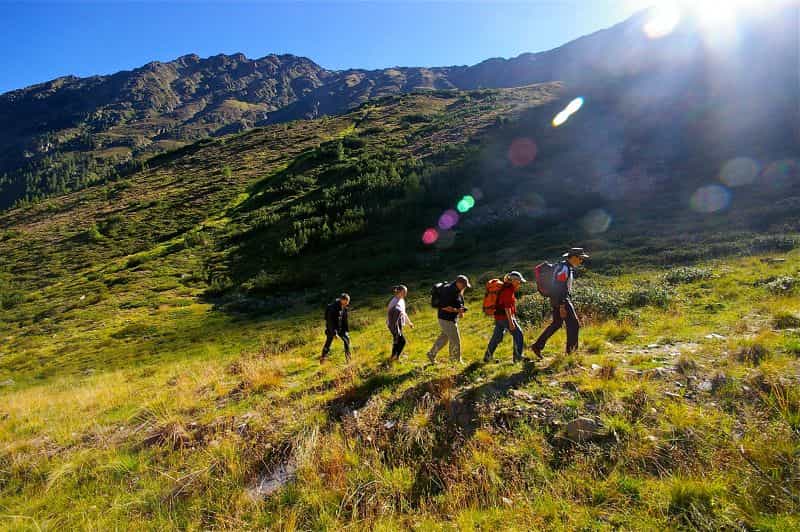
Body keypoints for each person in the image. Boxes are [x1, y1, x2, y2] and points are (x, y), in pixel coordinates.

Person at [532, 248, 589, 356]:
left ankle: (537, 346)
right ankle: (571, 353)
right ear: (573, 257)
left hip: (555, 299)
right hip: (561, 299)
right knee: (574, 325)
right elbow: (559, 287)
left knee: (556, 324)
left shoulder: (563, 266)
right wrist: (562, 305)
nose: (581, 261)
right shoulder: (564, 268)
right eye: (580, 258)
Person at [427, 275, 471, 365]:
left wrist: (460, 310)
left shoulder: (457, 290)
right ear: (458, 283)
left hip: (450, 318)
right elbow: (445, 307)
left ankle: (431, 354)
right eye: (464, 285)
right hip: (446, 319)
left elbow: (457, 301)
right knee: (455, 341)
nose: (464, 287)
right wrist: (458, 310)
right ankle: (455, 361)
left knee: (443, 339)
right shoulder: (448, 290)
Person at [484, 271, 527, 363]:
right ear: (513, 280)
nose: (519, 283)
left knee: (497, 337)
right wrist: (511, 322)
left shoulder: (505, 287)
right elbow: (507, 307)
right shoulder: (508, 290)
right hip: (505, 317)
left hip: (499, 317)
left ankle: (487, 357)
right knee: (518, 334)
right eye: (518, 281)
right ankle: (518, 357)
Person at [321, 293, 351, 362]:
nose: (347, 303)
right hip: (331, 328)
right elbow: (330, 322)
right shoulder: (333, 308)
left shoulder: (344, 306)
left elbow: (344, 319)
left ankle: (348, 358)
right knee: (328, 343)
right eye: (346, 302)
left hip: (340, 328)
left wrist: (346, 330)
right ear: (341, 300)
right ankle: (323, 358)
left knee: (346, 340)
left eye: (348, 302)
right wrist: (334, 333)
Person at [387, 285, 414, 361]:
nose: (406, 293)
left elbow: (403, 313)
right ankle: (396, 357)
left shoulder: (401, 300)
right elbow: (390, 316)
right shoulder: (393, 302)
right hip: (393, 325)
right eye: (404, 291)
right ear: (399, 292)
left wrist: (409, 323)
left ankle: (393, 356)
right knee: (402, 341)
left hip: (399, 324)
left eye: (406, 291)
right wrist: (394, 328)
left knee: (396, 340)